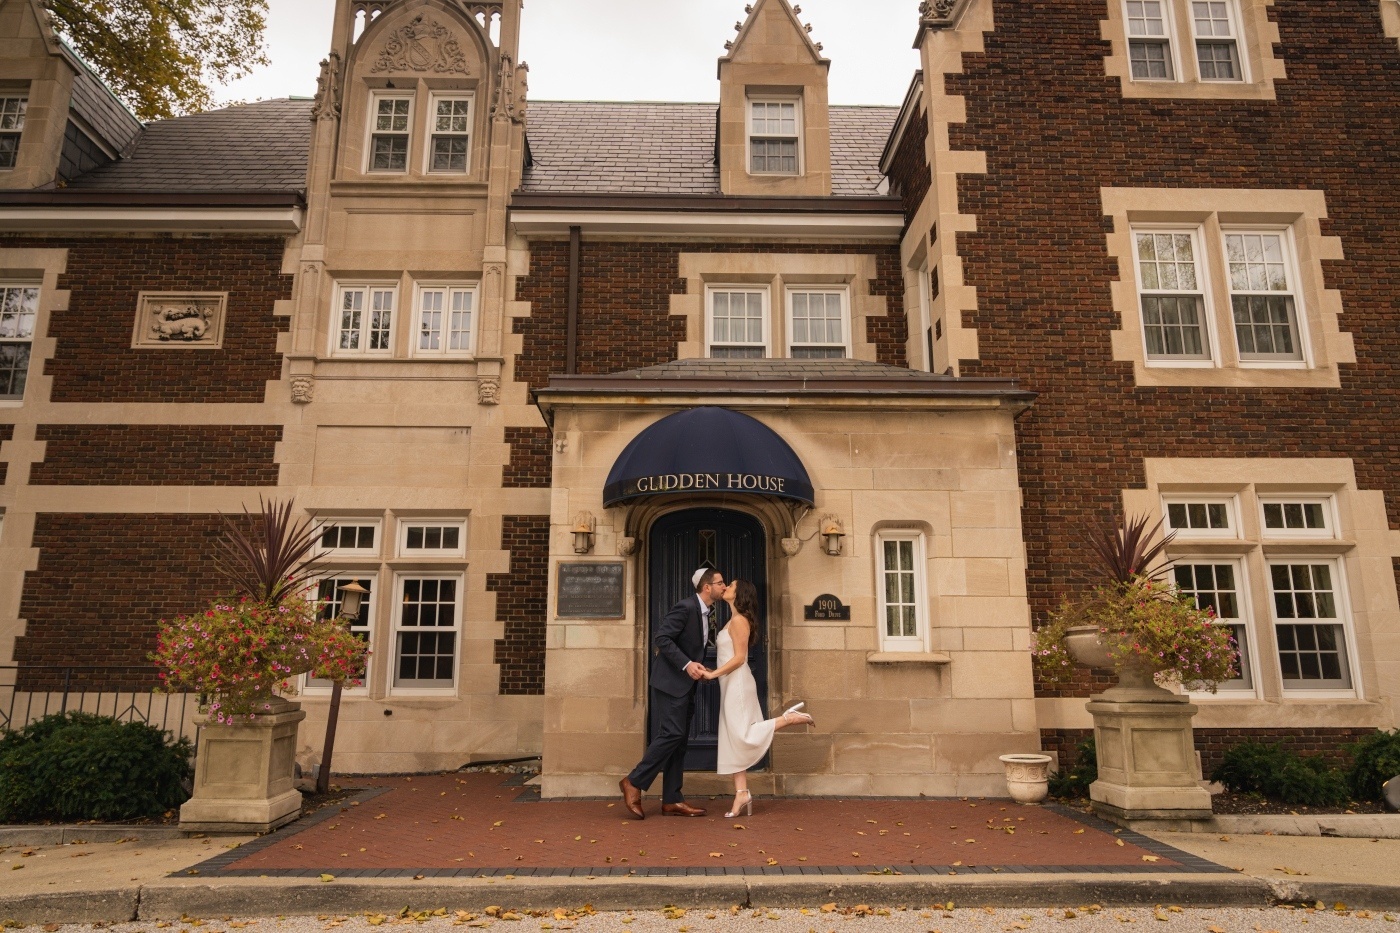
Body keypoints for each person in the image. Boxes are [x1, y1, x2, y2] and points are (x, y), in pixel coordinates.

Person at [618, 567, 725, 819]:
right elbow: (662, 638)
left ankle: (672, 800)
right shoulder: (686, 607)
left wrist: (697, 666)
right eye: (720, 582)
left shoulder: (707, 611)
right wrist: (688, 665)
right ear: (707, 587)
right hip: (670, 683)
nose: (724, 585)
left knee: (679, 742)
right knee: (672, 733)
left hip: (686, 684)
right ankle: (633, 781)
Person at [703, 578, 814, 818]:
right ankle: (741, 793)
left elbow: (739, 658)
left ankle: (788, 719)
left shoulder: (740, 621)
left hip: (738, 684)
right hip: (729, 683)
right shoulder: (732, 620)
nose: (726, 588)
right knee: (734, 737)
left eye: (730, 586)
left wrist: (712, 674)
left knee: (742, 734)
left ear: (739, 593)